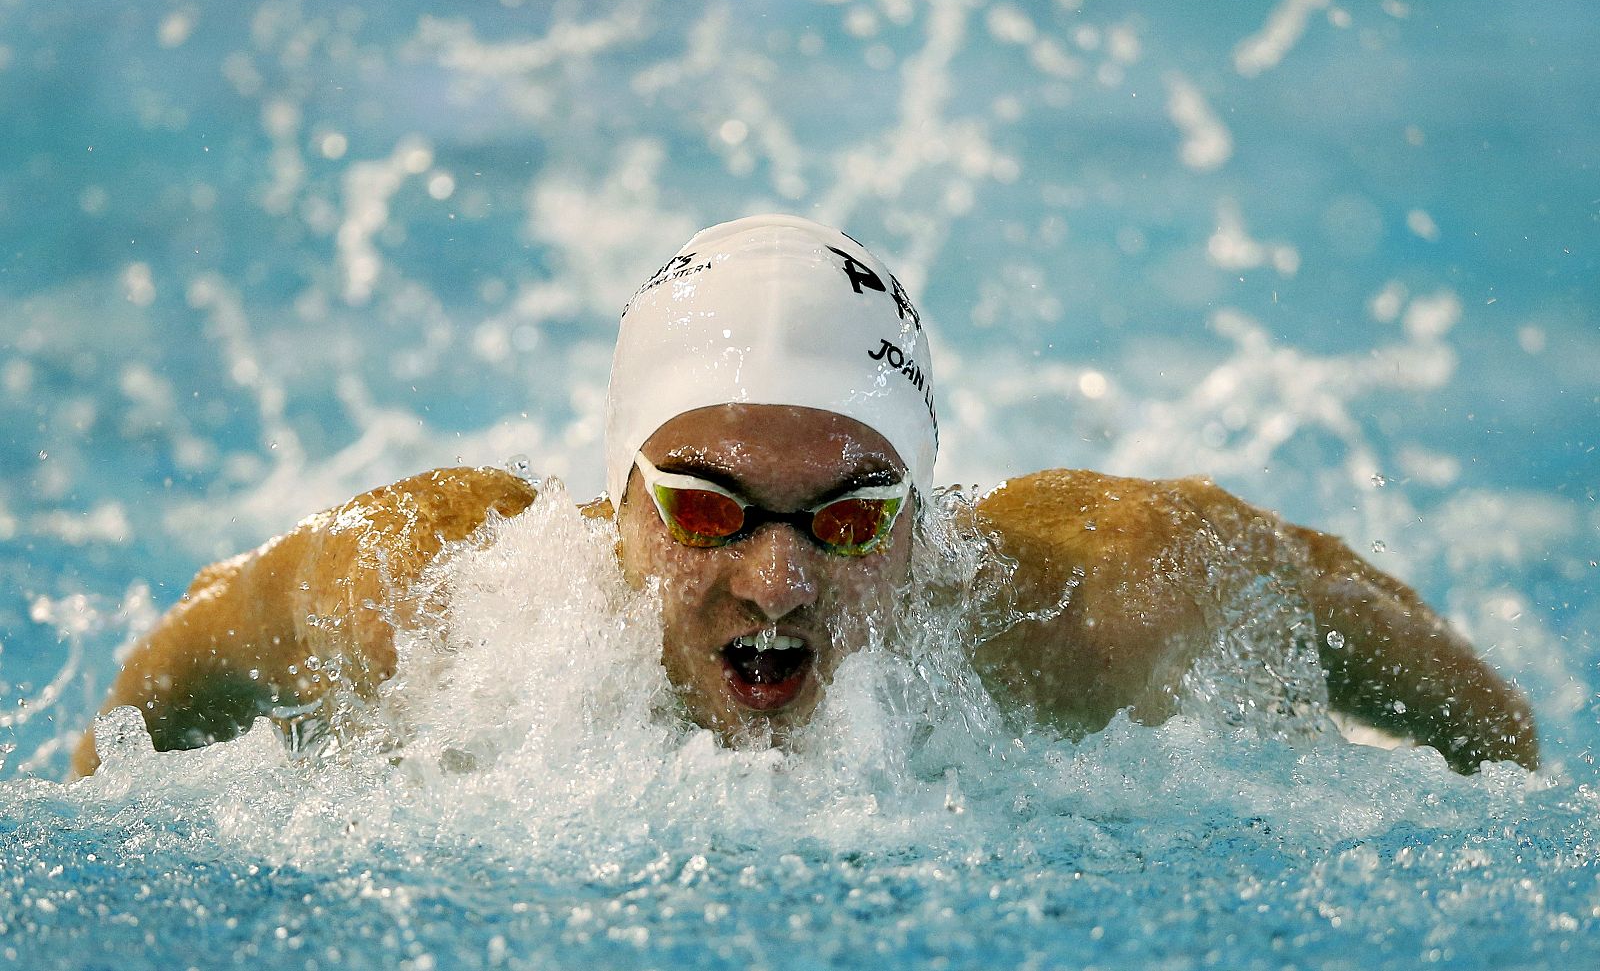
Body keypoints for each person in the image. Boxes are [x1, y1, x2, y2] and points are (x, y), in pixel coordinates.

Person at [70, 214, 1539, 778]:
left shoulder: (1109, 589)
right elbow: (115, 755)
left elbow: (1494, 735)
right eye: (708, 508)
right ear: (619, 502)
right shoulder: (413, 588)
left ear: (927, 510)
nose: (777, 584)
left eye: (850, 518)